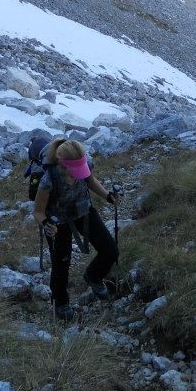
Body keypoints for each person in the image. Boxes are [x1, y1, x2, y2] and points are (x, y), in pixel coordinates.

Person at [33, 137, 121, 320]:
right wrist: (46, 225)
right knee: (61, 264)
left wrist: (107, 196)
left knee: (110, 250)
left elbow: (90, 180)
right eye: (76, 170)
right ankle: (61, 303)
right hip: (58, 223)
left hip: (84, 212)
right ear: (63, 165)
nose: (81, 172)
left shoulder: (83, 166)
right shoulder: (48, 180)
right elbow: (38, 212)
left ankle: (93, 276)